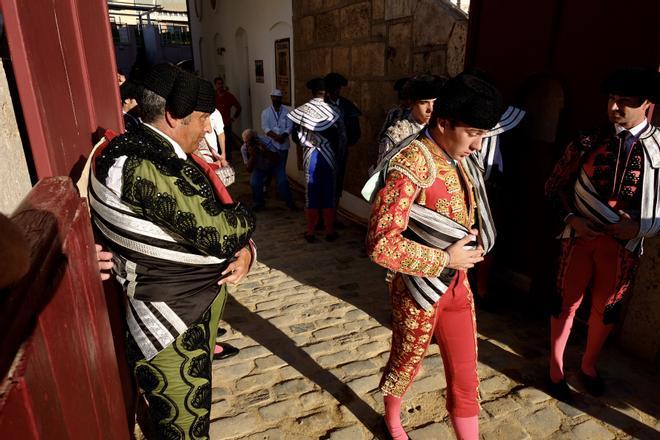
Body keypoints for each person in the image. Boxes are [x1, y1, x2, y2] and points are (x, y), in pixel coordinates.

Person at [89, 63, 256, 438]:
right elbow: (221, 233)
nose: (206, 128)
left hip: (185, 309)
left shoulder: (153, 153)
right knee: (183, 427)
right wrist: (244, 215)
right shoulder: (139, 164)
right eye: (201, 119)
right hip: (167, 325)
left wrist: (242, 241)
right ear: (172, 116)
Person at [364, 73, 505, 440]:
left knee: (465, 371)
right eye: (472, 133)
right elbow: (381, 243)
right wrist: (445, 260)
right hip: (417, 290)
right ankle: (392, 420)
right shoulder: (409, 164)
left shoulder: (459, 157)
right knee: (407, 360)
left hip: (459, 287)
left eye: (482, 135)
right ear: (443, 123)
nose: (477, 146)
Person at [544, 67, 660, 399]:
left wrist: (638, 225)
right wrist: (572, 218)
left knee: (605, 308)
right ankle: (555, 367)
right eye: (611, 99)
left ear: (647, 104)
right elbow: (553, 187)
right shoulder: (586, 140)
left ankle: (589, 366)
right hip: (579, 238)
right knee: (565, 302)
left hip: (623, 246)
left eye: (625, 102)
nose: (614, 108)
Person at [288, 78, 345, 242]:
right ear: (326, 93)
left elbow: (295, 138)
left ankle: (311, 232)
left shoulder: (302, 111)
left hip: (310, 156)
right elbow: (340, 138)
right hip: (328, 158)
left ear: (312, 92)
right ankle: (329, 231)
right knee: (329, 193)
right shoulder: (334, 111)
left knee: (311, 194)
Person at [375, 74, 442, 167]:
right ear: (412, 103)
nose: (430, 109)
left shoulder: (443, 128)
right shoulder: (397, 135)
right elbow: (382, 171)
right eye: (423, 103)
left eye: (434, 102)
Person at [324, 72, 360, 208]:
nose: (335, 92)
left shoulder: (346, 106)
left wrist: (344, 143)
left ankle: (333, 216)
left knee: (337, 183)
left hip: (340, 153)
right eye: (332, 89)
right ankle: (322, 217)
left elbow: (355, 131)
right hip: (323, 152)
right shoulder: (321, 105)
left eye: (337, 89)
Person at [240, 128, 295, 210]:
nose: (248, 144)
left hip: (275, 165)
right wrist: (253, 156)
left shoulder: (266, 141)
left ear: (256, 138)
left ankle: (290, 203)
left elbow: (276, 159)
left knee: (282, 182)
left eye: (250, 141)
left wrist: (264, 150)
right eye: (246, 142)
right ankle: (259, 203)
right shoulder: (244, 148)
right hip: (260, 168)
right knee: (254, 182)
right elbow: (248, 169)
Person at [214, 76, 241, 162]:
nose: (220, 86)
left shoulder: (229, 96)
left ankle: (228, 161)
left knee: (228, 143)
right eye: (218, 84)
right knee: (216, 143)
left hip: (226, 123)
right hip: (215, 124)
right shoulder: (213, 96)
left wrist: (233, 118)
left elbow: (238, 107)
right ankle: (218, 160)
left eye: (221, 84)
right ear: (215, 85)